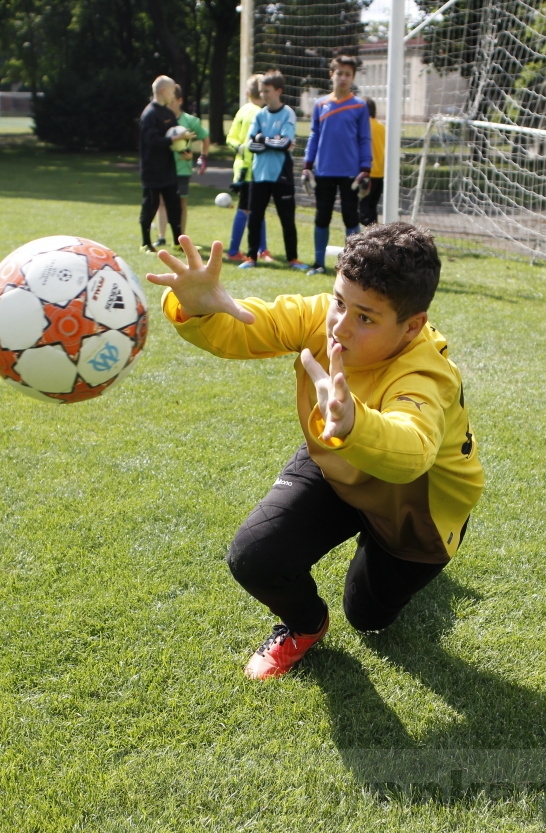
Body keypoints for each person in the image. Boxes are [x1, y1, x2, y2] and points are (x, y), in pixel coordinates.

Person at [146, 223, 483, 680]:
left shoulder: (427, 373)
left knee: (369, 619)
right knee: (255, 557)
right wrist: (198, 308)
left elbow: (412, 452)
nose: (339, 326)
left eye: (365, 317)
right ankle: (305, 626)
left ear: (413, 326)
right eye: (340, 302)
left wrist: (354, 423)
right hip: (337, 464)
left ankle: (388, 562)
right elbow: (244, 327)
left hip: (413, 506)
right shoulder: (320, 316)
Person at [302, 54, 372, 276]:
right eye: (339, 73)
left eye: (348, 74)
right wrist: (307, 164)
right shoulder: (320, 104)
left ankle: (355, 266)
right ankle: (318, 263)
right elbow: (314, 136)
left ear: (353, 77)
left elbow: (364, 138)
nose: (343, 78)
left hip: (350, 173)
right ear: (331, 74)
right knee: (322, 216)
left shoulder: (359, 106)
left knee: (350, 217)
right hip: (323, 171)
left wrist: (365, 169)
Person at [239, 70, 309, 271]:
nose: (263, 95)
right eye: (261, 91)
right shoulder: (259, 114)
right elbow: (251, 144)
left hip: (281, 174)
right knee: (255, 217)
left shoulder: (287, 113)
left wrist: (263, 139)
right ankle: (251, 257)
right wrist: (270, 141)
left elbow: (285, 142)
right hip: (259, 173)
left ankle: (293, 259)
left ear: (278, 91)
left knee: (287, 218)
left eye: (267, 91)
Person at [139, 75, 191, 254]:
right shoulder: (149, 114)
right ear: (162, 91)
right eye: (171, 89)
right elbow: (153, 141)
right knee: (151, 205)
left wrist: (184, 151)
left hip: (168, 170)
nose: (174, 93)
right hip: (152, 170)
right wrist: (176, 138)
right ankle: (146, 243)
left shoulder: (169, 113)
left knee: (174, 205)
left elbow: (175, 141)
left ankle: (178, 242)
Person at [156, 84, 210, 249]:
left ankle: (180, 239)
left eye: (173, 101)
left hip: (182, 168)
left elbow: (205, 137)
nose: (169, 104)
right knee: (162, 202)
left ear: (179, 100)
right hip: (164, 167)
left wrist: (202, 157)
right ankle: (161, 237)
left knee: (181, 203)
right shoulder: (161, 119)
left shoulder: (190, 121)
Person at [225, 73, 271, 263]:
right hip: (253, 170)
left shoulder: (242, 111)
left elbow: (231, 139)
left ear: (247, 92)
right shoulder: (259, 114)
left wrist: (239, 148)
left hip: (240, 169)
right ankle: (235, 250)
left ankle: (262, 248)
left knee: (252, 209)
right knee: (248, 210)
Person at [359, 97, 386, 227]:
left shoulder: (363, 126)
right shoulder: (382, 127)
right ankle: (374, 233)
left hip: (366, 172)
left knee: (362, 208)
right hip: (380, 172)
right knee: (372, 207)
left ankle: (366, 236)